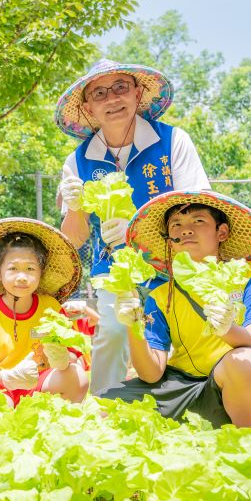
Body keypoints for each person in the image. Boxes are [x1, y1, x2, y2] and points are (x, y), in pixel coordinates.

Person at [55, 59, 211, 395]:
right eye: (100, 93)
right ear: (88, 108)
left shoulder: (173, 141)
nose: (112, 99)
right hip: (115, 270)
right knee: (112, 331)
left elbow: (200, 208)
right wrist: (76, 207)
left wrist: (139, 228)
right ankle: (104, 410)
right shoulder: (76, 161)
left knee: (176, 339)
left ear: (138, 93)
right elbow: (74, 238)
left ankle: (184, 403)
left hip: (175, 265)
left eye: (120, 87)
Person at [99, 191, 251, 428]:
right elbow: (152, 374)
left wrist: (228, 328)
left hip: (232, 382)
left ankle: (247, 442)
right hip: (180, 385)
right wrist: (133, 326)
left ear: (222, 232)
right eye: (176, 224)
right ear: (169, 241)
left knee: (245, 360)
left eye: (198, 221)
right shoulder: (159, 295)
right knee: (102, 410)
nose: (186, 230)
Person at [0, 219, 89, 404]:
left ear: (41, 272)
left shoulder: (51, 308)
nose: (22, 277)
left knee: (78, 377)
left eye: (30, 268)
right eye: (12, 268)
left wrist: (64, 358)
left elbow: (74, 353)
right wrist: (8, 377)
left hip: (36, 385)